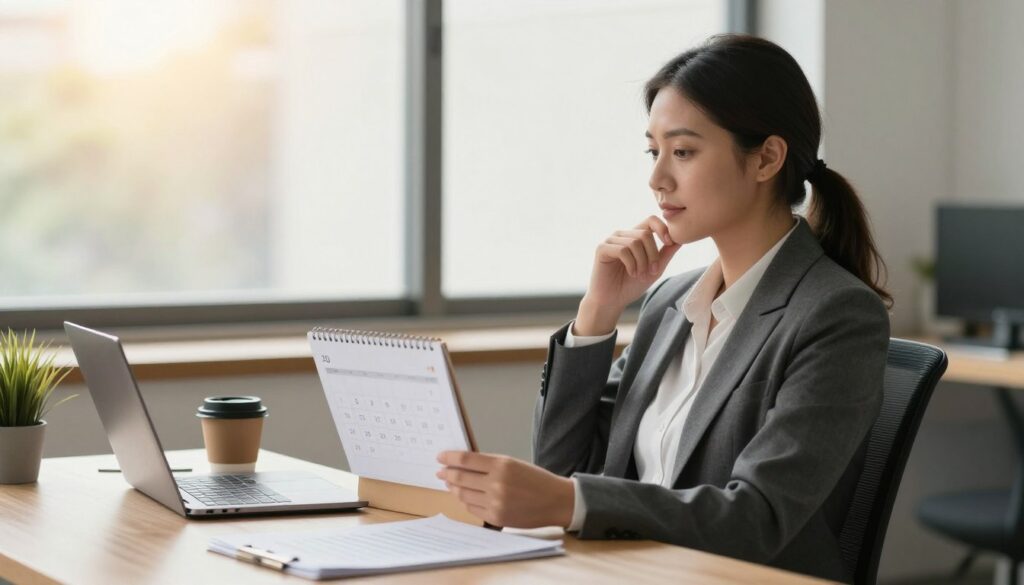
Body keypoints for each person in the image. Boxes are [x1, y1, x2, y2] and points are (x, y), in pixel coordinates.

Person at [436, 33, 892, 583]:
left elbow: (758, 518)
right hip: (632, 570)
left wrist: (572, 502)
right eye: (654, 152)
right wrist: (597, 312)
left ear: (767, 158)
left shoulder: (837, 315)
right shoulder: (671, 301)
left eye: (683, 152)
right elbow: (560, 464)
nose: (657, 179)